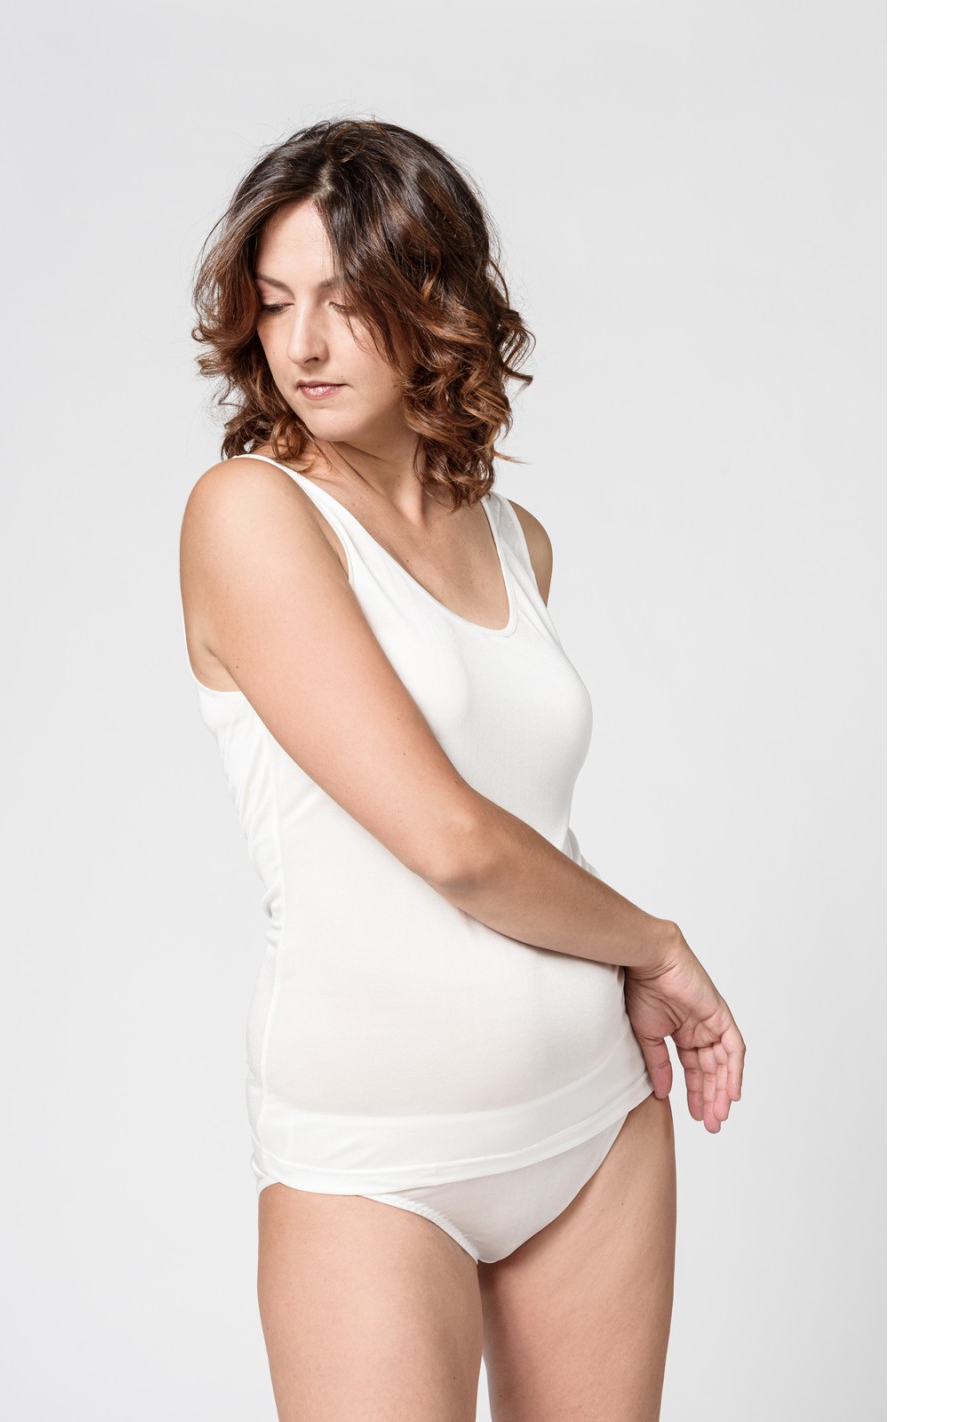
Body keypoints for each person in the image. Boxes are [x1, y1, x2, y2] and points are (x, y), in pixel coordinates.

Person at [179, 117, 745, 1422]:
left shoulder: (516, 537)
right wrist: (657, 947)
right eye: (276, 303)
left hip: (596, 1122)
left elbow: (529, 811)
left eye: (345, 300)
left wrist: (624, 968)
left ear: (433, 300)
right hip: (378, 1155)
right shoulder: (250, 514)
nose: (303, 344)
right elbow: (454, 840)